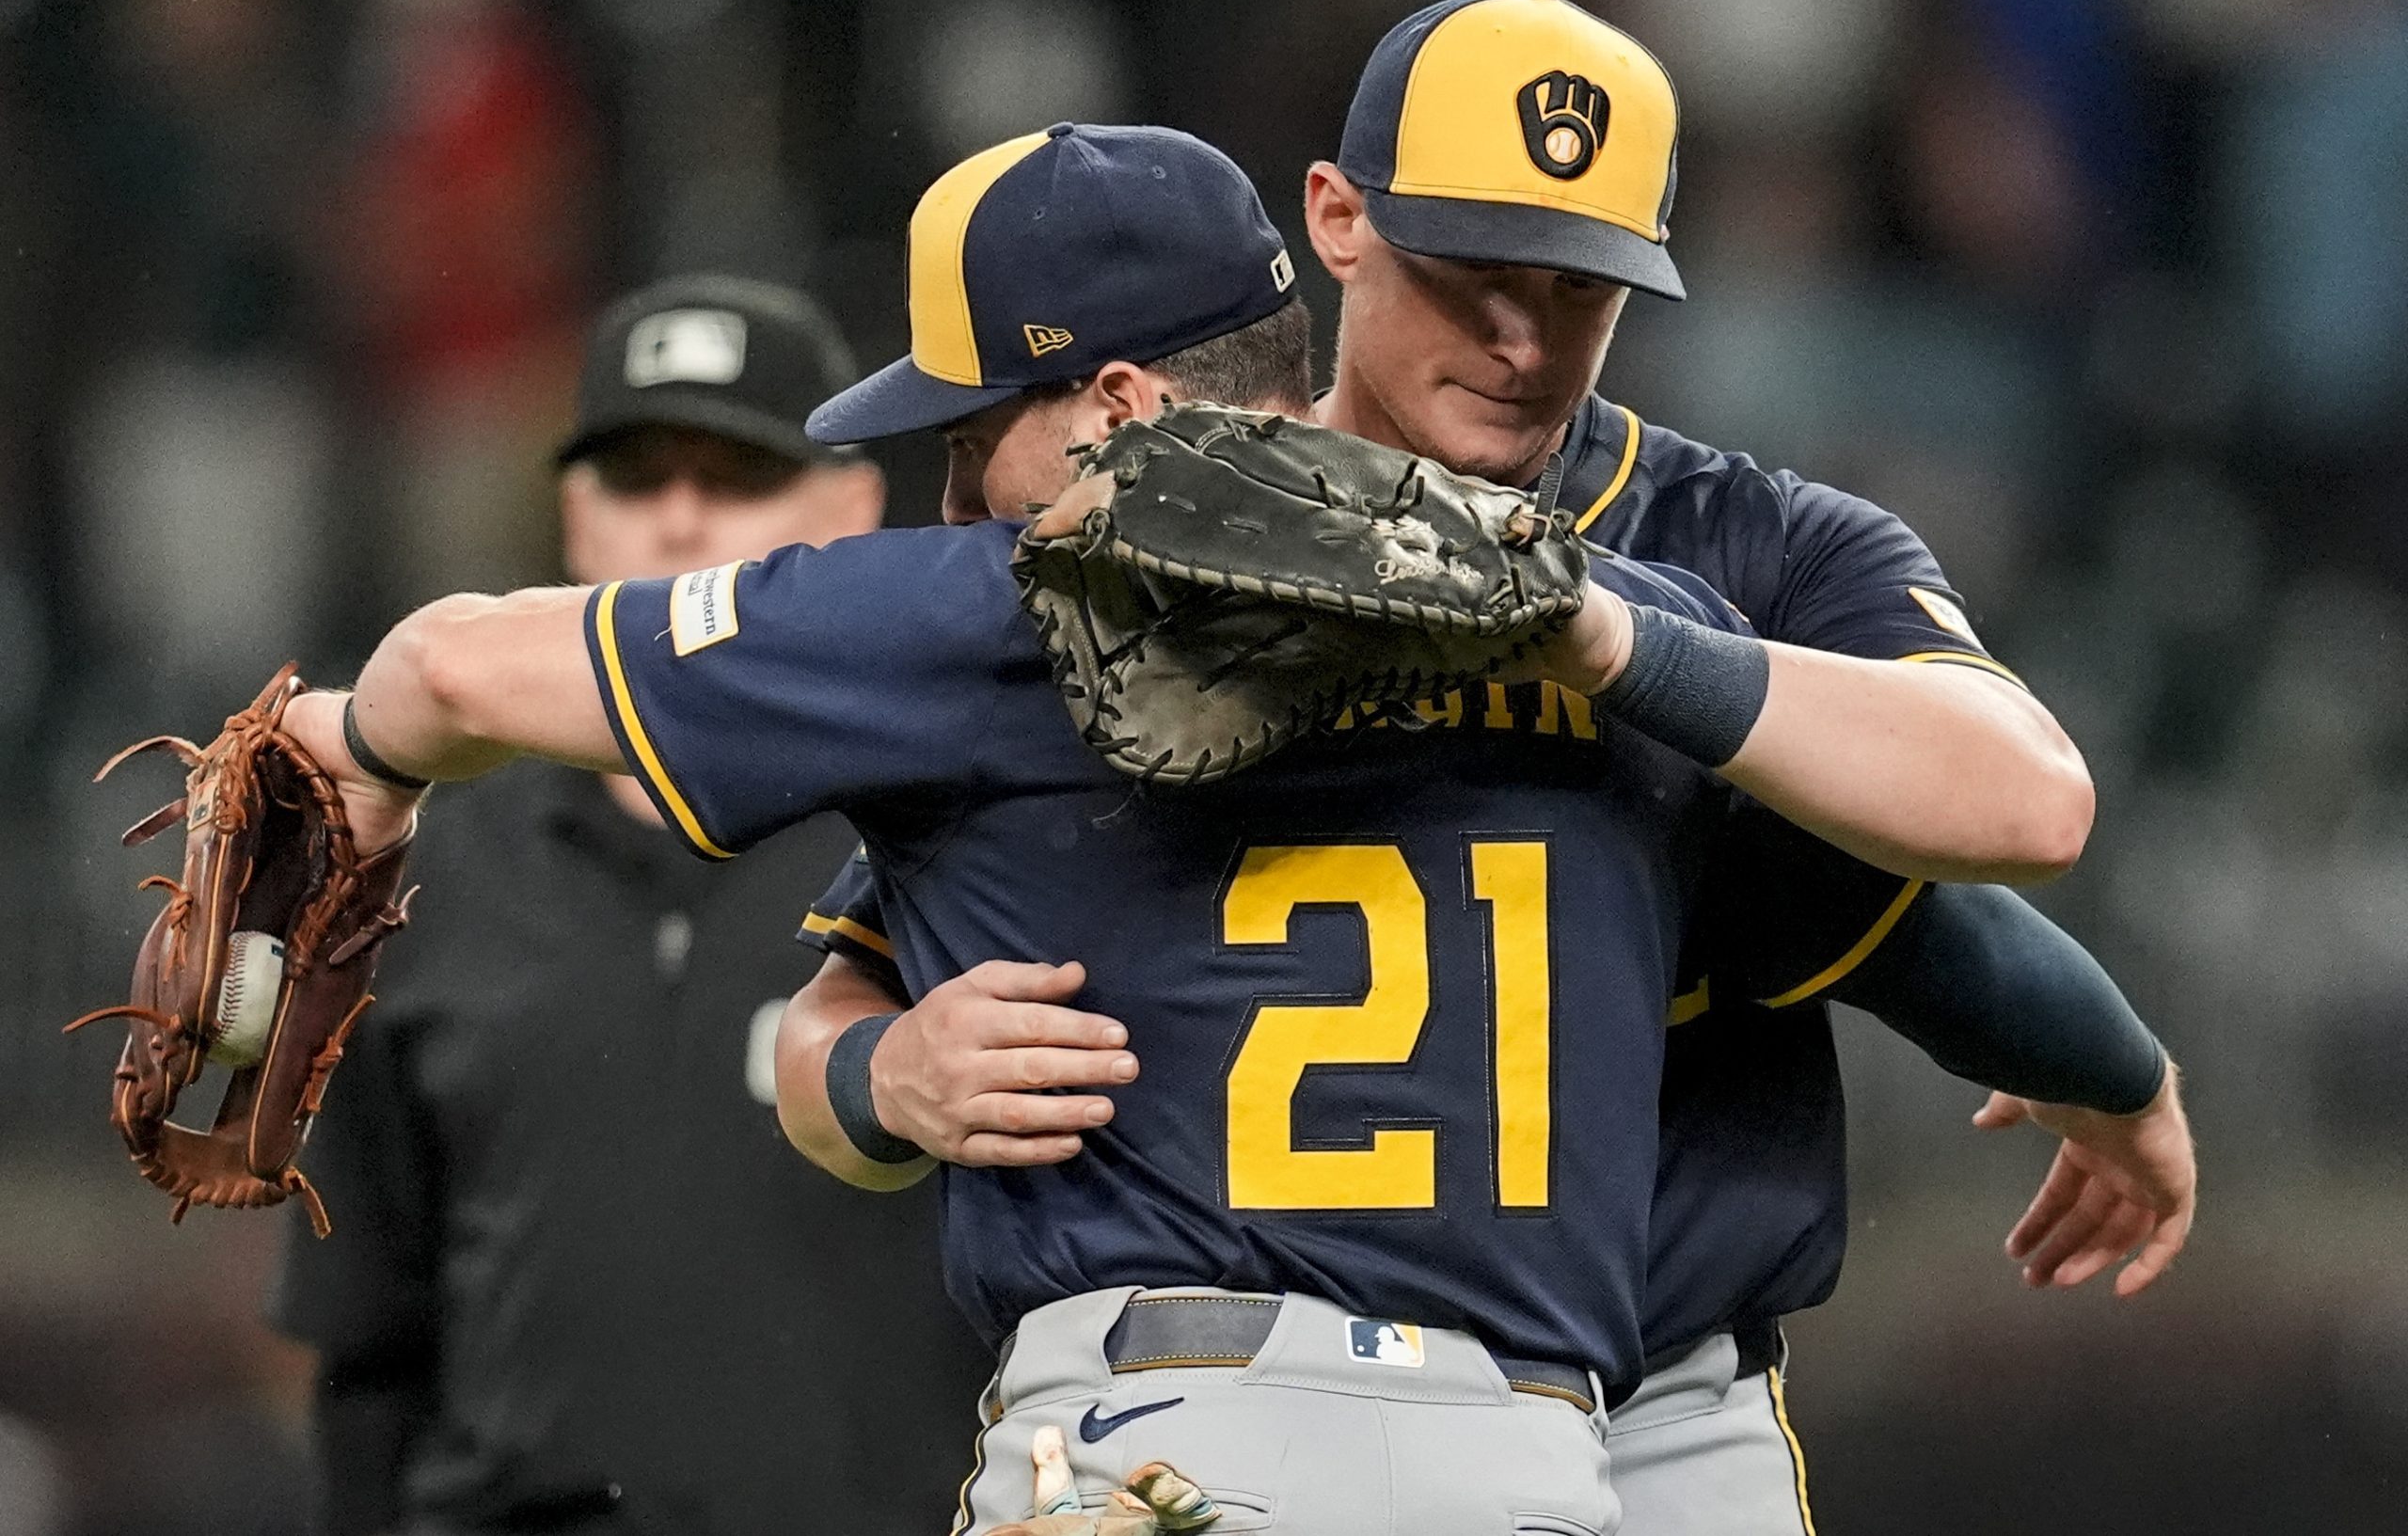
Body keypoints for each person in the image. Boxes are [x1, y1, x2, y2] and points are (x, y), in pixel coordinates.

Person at [251, 122, 1811, 1536]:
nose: (954, 501)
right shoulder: (1612, 627)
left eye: (967, 432)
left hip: (1177, 1432)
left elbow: (448, 662)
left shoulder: (989, 616)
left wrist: (359, 754)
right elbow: (2002, 842)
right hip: (1529, 1458)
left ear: (1115, 410)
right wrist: (2072, 1079)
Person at [780, 0, 2193, 1536]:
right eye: (1472, 276)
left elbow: (2015, 810)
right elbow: (857, 975)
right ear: (1338, 219)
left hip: (1672, 1409)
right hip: (1262, 1386)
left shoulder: (1742, 546)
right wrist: (876, 1068)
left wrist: (1611, 643)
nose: (1523, 341)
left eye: (1577, 289)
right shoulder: (1179, 539)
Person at [267, 275, 989, 1536]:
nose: (680, 524)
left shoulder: (956, 851)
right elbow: (368, 1347)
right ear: (573, 521)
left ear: (856, 508)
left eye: (738, 476)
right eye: (637, 478)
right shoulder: (425, 874)